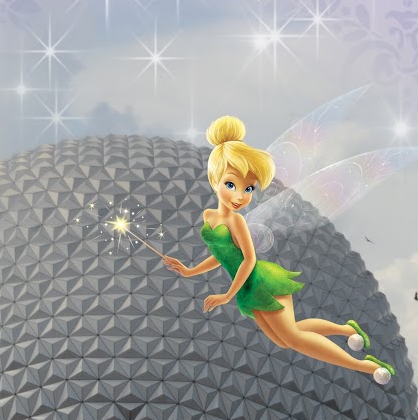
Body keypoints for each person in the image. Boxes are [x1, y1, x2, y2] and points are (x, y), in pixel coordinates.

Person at [162, 115, 396, 383]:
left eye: (248, 188)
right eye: (231, 185)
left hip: (260, 282)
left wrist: (227, 295)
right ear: (215, 180)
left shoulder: (236, 221)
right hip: (246, 290)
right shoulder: (209, 217)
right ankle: (345, 329)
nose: (240, 196)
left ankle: (366, 366)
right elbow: (223, 256)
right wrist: (190, 271)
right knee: (285, 339)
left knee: (293, 338)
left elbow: (248, 260)